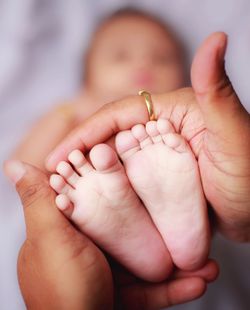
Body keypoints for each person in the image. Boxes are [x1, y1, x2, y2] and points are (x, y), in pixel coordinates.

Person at [12, 7, 211, 281]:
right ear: (87, 77)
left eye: (162, 58)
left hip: (162, 194)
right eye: (121, 56)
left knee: (172, 153)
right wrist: (67, 112)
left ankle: (167, 221)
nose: (143, 63)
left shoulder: (178, 119)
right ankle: (114, 214)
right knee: (91, 174)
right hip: (83, 226)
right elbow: (28, 161)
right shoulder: (78, 111)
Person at [4, 160, 218, 309]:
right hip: (93, 190)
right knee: (125, 166)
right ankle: (164, 228)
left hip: (97, 189)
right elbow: (22, 163)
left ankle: (162, 227)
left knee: (125, 170)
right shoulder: (69, 111)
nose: (142, 90)